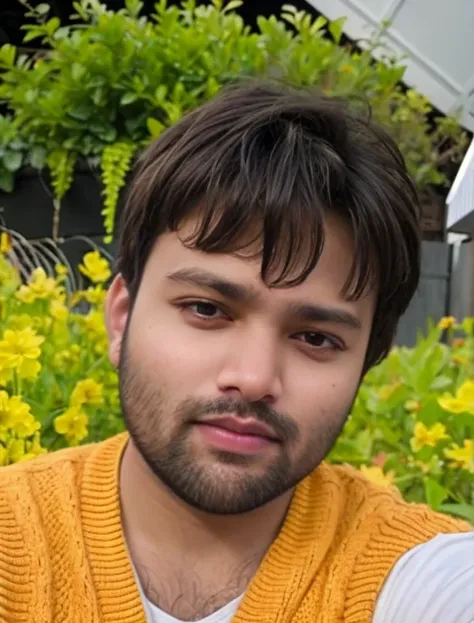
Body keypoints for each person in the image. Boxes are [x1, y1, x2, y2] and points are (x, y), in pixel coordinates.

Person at [0, 81, 472, 623]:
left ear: (365, 363)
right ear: (122, 317)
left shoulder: (416, 575)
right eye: (206, 309)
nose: (253, 378)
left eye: (316, 338)